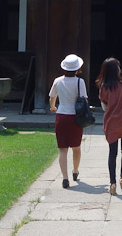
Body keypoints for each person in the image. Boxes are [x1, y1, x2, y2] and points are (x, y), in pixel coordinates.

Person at [95, 57, 122, 195]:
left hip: (111, 122)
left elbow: (104, 105)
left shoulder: (103, 86)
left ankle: (112, 184)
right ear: (116, 70)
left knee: (112, 153)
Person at [48, 53, 87, 189]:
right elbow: (84, 99)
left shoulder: (58, 81)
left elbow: (52, 97)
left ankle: (65, 178)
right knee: (76, 147)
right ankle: (75, 171)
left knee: (62, 149)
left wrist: (53, 107)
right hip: (75, 117)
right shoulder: (79, 82)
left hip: (61, 116)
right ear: (77, 69)